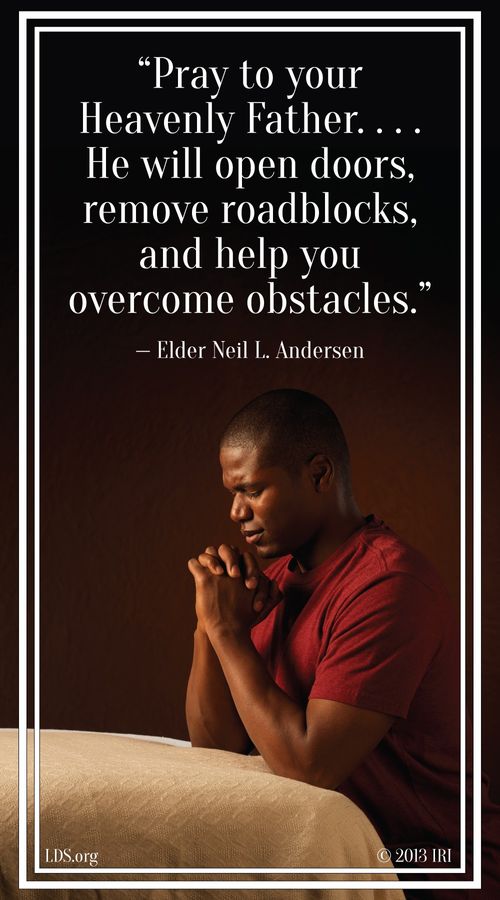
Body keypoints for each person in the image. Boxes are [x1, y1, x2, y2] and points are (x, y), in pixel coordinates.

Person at [185, 389, 499, 898]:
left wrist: (227, 632)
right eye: (231, 493)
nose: (235, 512)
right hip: (339, 869)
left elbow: (313, 764)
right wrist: (211, 627)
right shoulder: (279, 580)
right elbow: (218, 748)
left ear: (319, 474)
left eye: (252, 490)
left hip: (429, 879)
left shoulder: (388, 583)